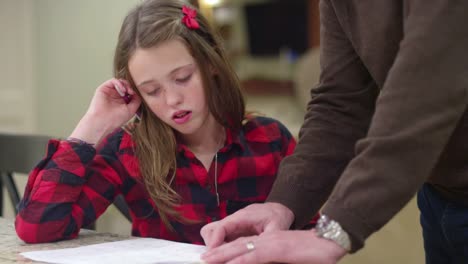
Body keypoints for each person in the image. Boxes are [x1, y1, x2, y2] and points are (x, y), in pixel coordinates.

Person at [200, 1, 468, 263]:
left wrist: (335, 231)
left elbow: (422, 100)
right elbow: (341, 101)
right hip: (441, 193)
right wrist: (283, 203)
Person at [15, 0, 299, 245]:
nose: (173, 99)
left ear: (210, 63)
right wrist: (92, 125)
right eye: (152, 91)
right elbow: (38, 227)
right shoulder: (128, 149)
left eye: (182, 78)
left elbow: (308, 240)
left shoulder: (271, 140)